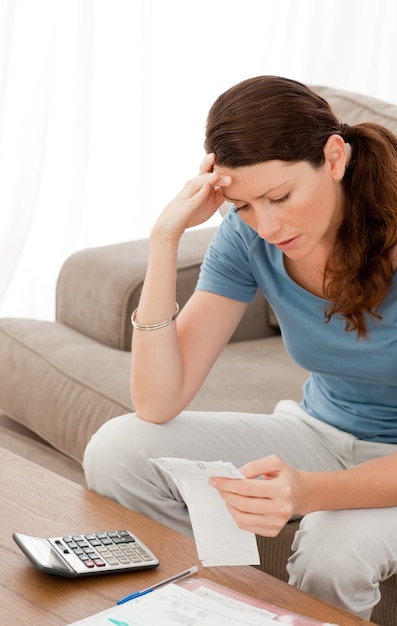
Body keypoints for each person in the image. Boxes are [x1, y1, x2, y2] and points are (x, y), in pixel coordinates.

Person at [83, 75, 397, 620]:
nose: (268, 225)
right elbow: (158, 402)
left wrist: (309, 493)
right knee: (118, 448)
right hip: (320, 429)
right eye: (245, 205)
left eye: (280, 197)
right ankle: (226, 609)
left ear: (335, 155)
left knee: (333, 557)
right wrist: (165, 241)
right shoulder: (246, 234)